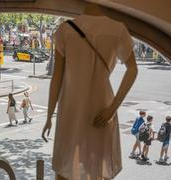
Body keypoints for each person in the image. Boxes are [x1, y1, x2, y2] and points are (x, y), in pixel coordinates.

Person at [42, 4, 138, 180]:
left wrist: (49, 116)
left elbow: (57, 77)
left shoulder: (65, 30)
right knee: (97, 168)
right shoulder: (117, 29)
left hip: (71, 109)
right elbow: (132, 70)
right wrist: (112, 109)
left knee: (66, 167)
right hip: (103, 108)